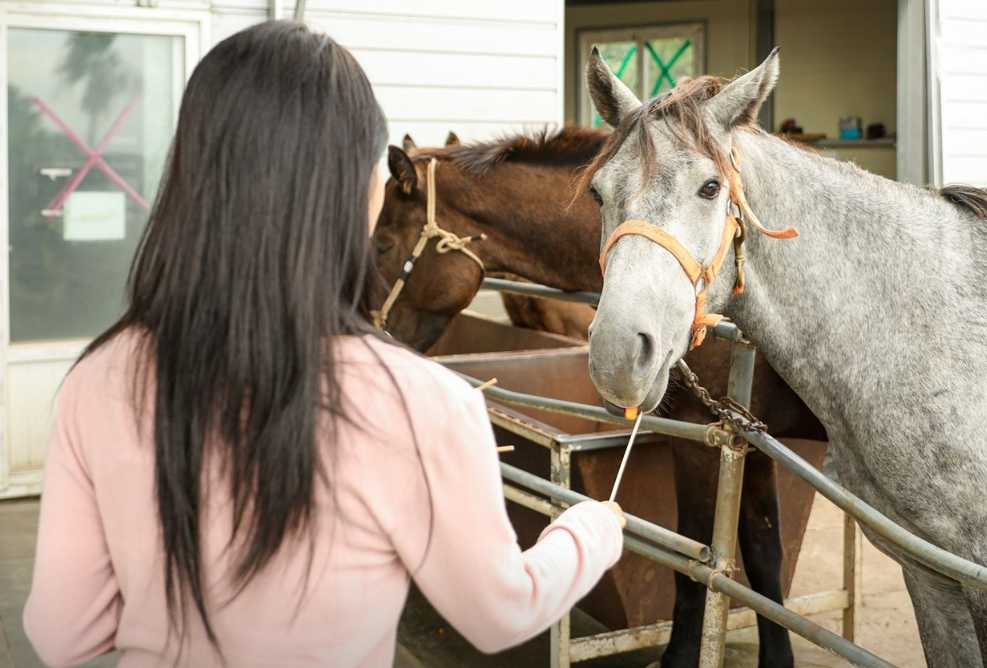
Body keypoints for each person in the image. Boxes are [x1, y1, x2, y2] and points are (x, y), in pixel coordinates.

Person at [23, 20, 625, 668]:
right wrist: (594, 530)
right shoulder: (423, 401)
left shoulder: (99, 379)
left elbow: (63, 633)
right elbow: (501, 611)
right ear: (359, 193)